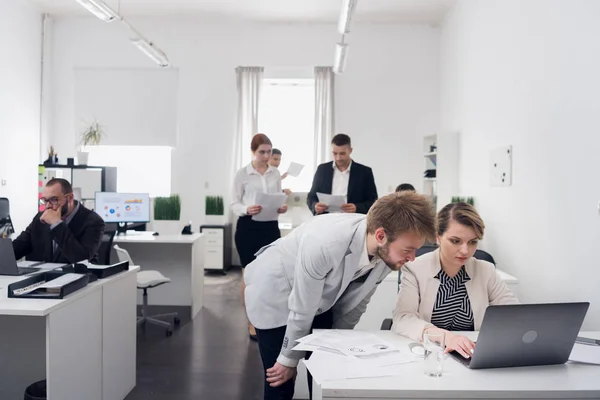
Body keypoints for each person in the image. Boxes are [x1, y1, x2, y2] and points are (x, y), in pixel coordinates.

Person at [245, 192, 436, 400]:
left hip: (319, 298)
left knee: (325, 368)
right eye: (408, 250)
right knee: (281, 378)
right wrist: (289, 359)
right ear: (381, 236)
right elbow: (302, 308)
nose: (412, 258)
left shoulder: (388, 252)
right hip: (275, 290)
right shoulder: (325, 242)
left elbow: (357, 304)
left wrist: (335, 343)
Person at [392, 202, 518, 358]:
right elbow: (403, 318)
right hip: (429, 355)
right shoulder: (415, 269)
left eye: (472, 242)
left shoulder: (486, 270)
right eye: (455, 241)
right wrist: (446, 337)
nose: (465, 251)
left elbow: (514, 315)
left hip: (471, 355)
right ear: (438, 237)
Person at [232, 133, 288, 341]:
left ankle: (268, 318)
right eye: (262, 152)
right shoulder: (242, 174)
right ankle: (251, 321)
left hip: (270, 227)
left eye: (269, 152)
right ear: (253, 152)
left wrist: (281, 207)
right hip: (248, 227)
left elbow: (277, 197)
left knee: (270, 273)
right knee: (249, 274)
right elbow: (234, 203)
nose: (266, 156)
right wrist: (247, 208)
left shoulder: (275, 173)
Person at [12, 178, 105, 264]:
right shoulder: (40, 218)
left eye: (53, 200)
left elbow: (81, 260)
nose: (47, 206)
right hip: (45, 278)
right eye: (44, 200)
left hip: (79, 278)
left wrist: (57, 224)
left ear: (70, 198)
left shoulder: (93, 221)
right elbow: (18, 247)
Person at [307, 134, 378, 215]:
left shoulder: (365, 172)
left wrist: (357, 208)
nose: (338, 158)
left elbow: (374, 202)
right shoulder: (322, 170)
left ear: (350, 150)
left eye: (342, 153)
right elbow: (311, 197)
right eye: (335, 153)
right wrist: (315, 206)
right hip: (325, 220)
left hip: (353, 220)